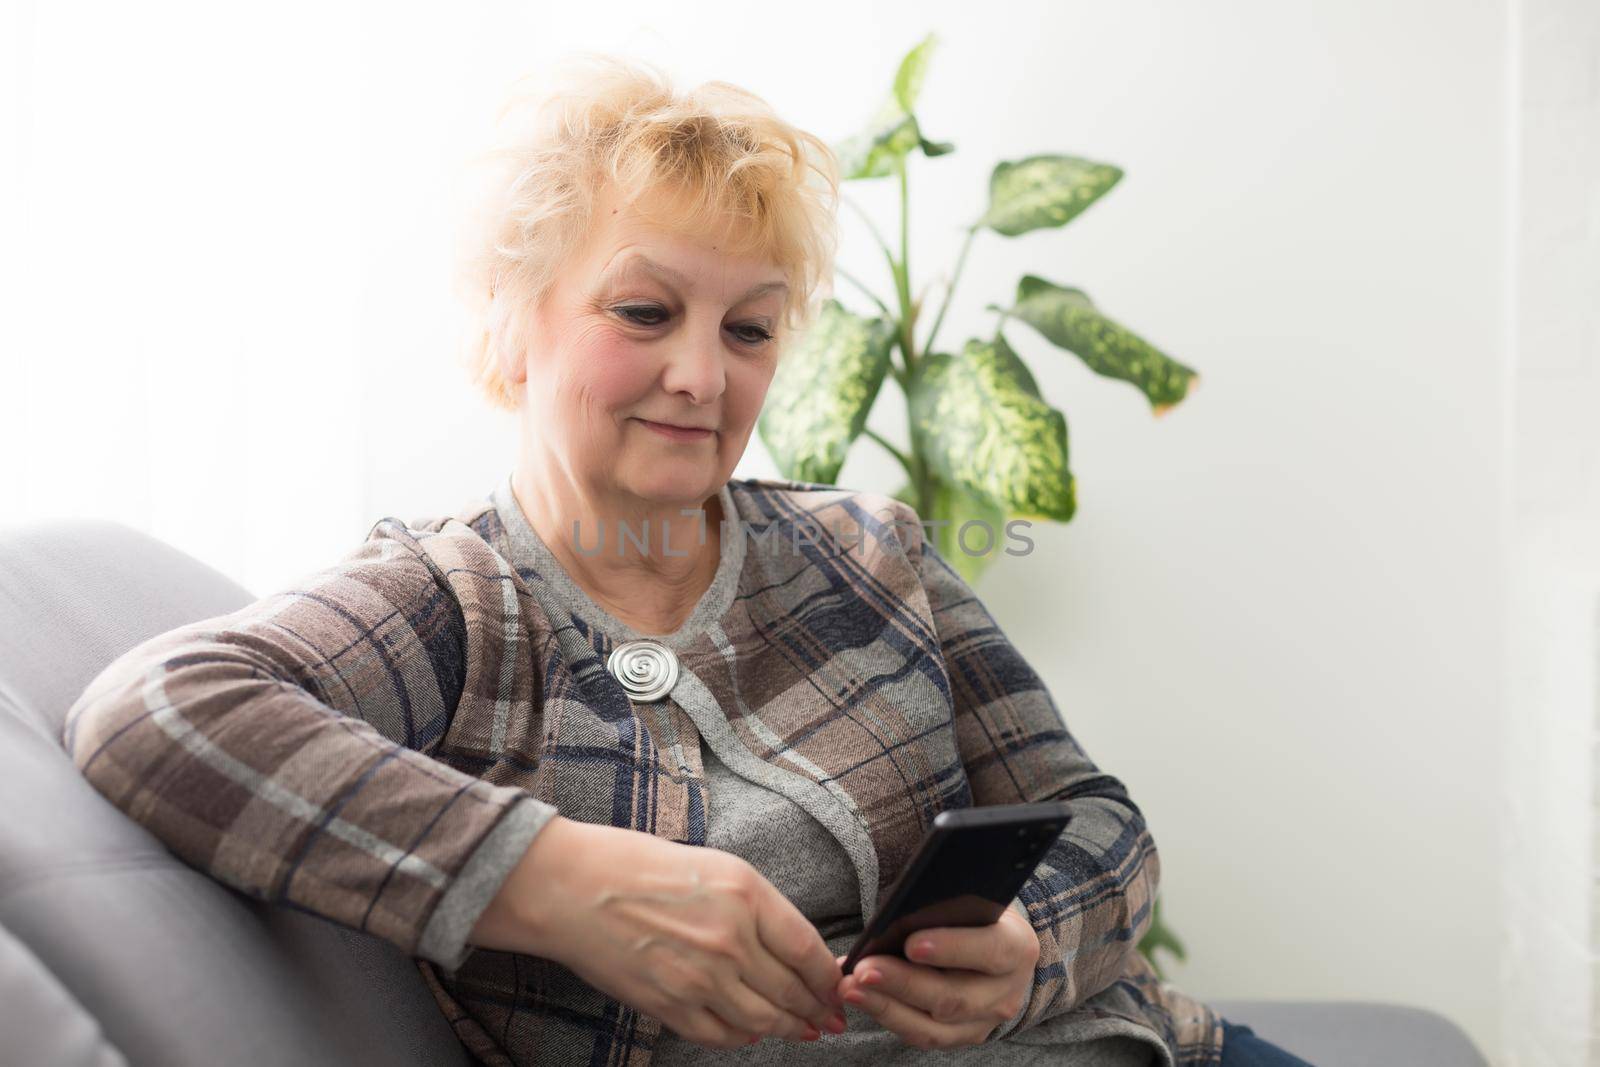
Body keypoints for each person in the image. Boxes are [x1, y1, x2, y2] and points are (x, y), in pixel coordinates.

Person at [61, 53, 1312, 1067]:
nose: (704, 375)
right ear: (513, 321)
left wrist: (1032, 938)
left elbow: (1101, 822)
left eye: (750, 327)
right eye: (643, 311)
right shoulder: (452, 599)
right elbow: (153, 709)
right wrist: (551, 879)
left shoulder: (869, 551)